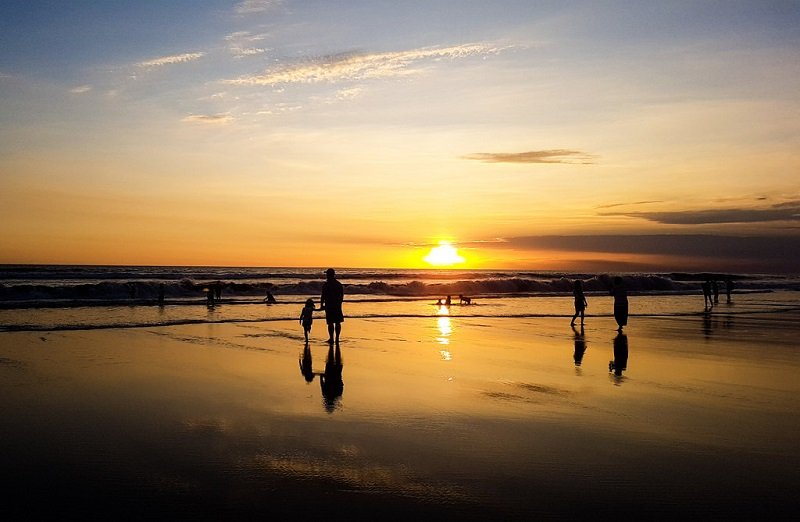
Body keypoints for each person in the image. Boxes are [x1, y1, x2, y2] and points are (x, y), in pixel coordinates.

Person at [320, 268, 344, 343]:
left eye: (327, 274)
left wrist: (321, 305)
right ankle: (336, 338)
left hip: (329, 305)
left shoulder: (326, 285)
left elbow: (323, 296)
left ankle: (331, 338)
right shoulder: (338, 284)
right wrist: (339, 303)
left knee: (330, 322)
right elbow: (341, 296)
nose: (326, 275)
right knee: (337, 322)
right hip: (337, 305)